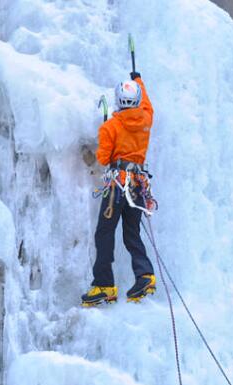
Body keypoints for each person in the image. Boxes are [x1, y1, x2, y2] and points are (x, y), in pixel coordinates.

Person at [81, 71, 156, 306]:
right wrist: (138, 80)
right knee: (132, 232)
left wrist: (106, 133)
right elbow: (148, 105)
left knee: (104, 232)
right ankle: (145, 276)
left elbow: (103, 158)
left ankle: (104, 284)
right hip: (138, 185)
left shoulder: (111, 126)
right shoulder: (145, 119)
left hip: (117, 184)